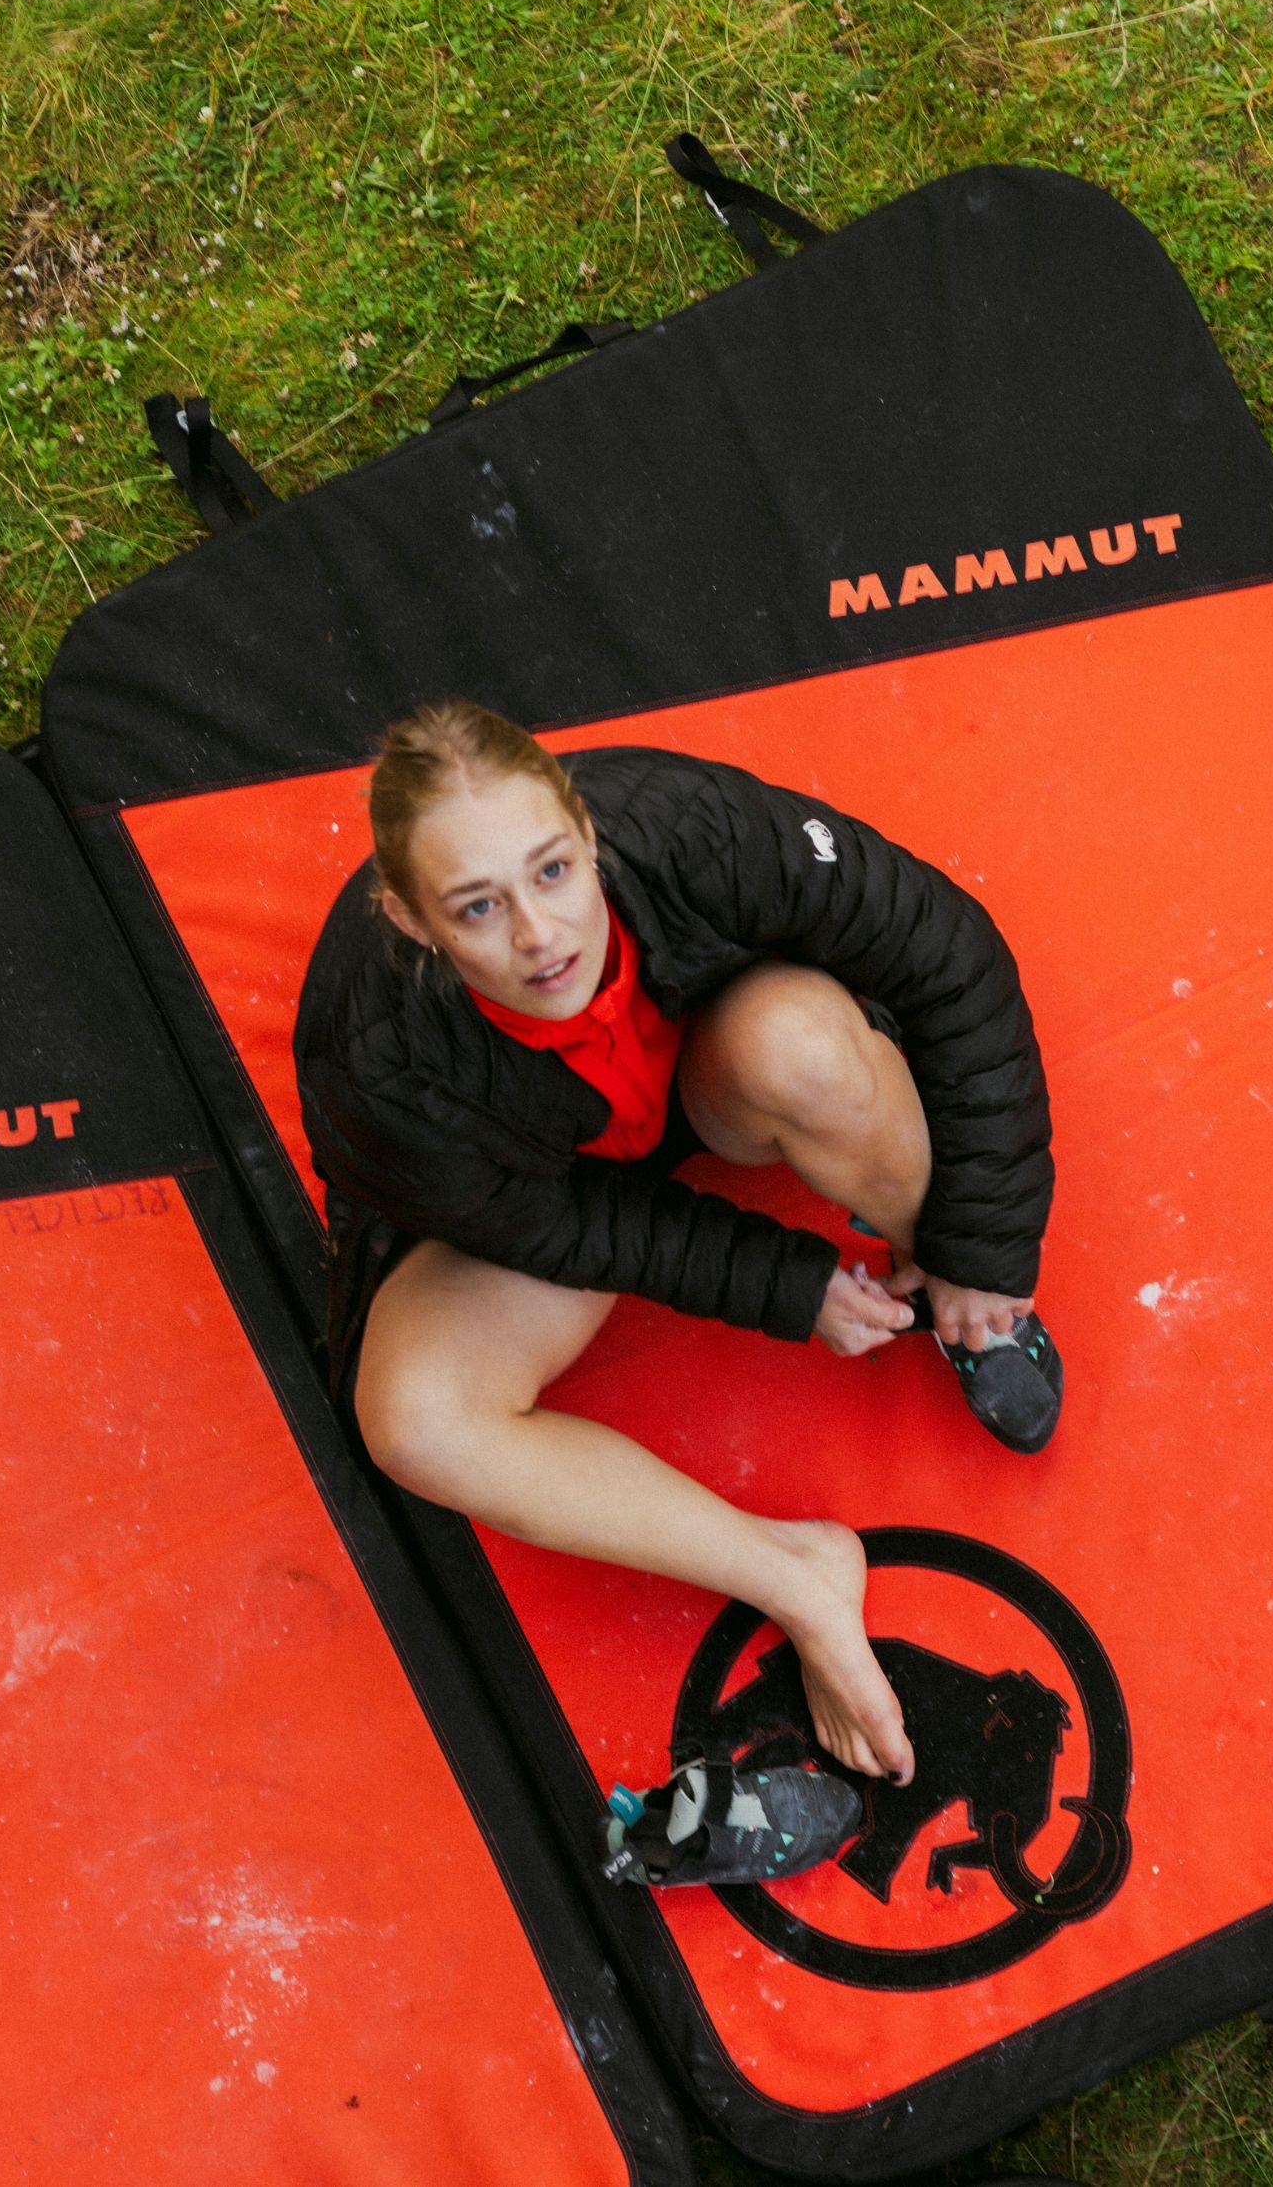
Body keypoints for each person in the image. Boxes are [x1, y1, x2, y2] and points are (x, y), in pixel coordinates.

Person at [293, 703, 1062, 1798]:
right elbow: (556, 1227)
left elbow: (945, 951)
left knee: (807, 1054)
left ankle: (945, 1278)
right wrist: (786, 1284)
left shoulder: (693, 826)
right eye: (477, 906)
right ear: (410, 922)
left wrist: (987, 1242)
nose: (539, 935)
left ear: (588, 832)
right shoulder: (373, 1057)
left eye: (553, 871)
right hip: (558, 1178)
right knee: (415, 1421)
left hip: (720, 1068)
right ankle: (797, 1573)